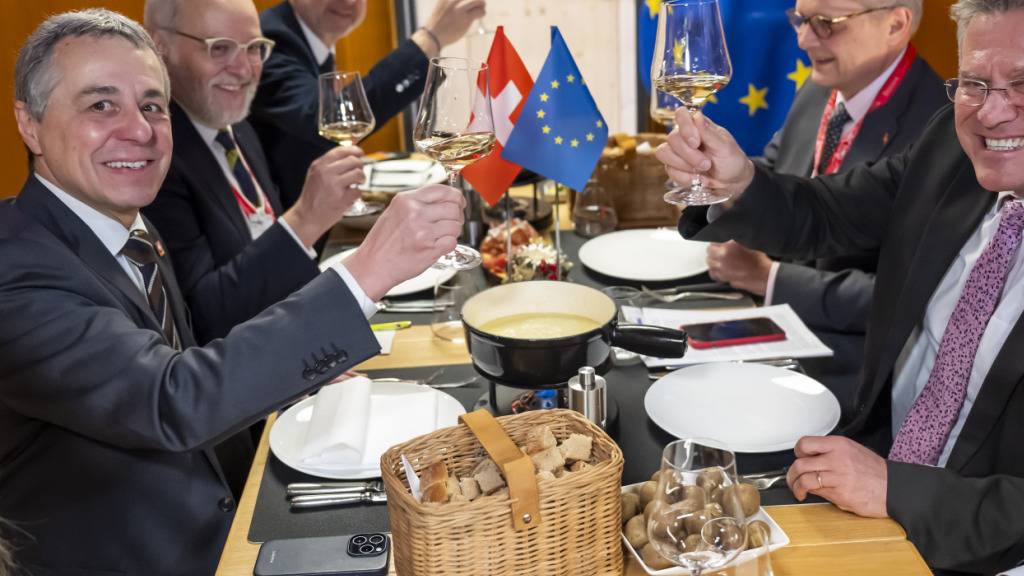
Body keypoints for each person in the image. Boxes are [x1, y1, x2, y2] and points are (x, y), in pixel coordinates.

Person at [0, 9, 463, 575]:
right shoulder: (14, 268)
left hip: (231, 514)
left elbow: (187, 353)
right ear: (30, 124)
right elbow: (173, 399)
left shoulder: (127, 227)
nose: (140, 130)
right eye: (101, 105)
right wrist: (366, 270)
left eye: (152, 105)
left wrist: (297, 376)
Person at [656, 0, 1024, 572]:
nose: (992, 113)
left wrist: (898, 490)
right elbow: (830, 212)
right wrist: (738, 181)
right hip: (865, 470)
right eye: (974, 83)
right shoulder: (949, 144)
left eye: (1022, 85)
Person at [705, 0, 945, 335]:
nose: (803, 39)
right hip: (774, 319)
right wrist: (715, 186)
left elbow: (918, 300)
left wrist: (769, 278)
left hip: (850, 347)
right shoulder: (823, 84)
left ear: (895, 25)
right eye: (801, 20)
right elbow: (776, 171)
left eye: (827, 23)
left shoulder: (939, 132)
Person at [142, 0, 366, 344]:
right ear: (160, 46)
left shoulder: (238, 126)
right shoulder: (153, 160)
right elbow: (203, 320)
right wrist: (305, 219)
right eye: (220, 48)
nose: (244, 70)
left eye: (254, 48)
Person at [251, 0, 486, 208]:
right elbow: (325, 119)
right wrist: (430, 38)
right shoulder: (269, 41)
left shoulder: (308, 40)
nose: (349, 1)